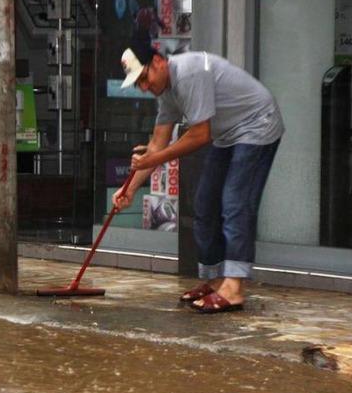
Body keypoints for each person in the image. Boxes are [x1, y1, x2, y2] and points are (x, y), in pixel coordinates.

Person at [113, 35, 284, 313]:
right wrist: (129, 190)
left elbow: (199, 135)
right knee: (205, 202)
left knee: (234, 201)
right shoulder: (166, 92)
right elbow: (157, 144)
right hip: (227, 134)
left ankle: (235, 287)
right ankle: (216, 280)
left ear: (157, 62)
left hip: (257, 123)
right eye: (138, 84)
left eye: (144, 78)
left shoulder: (189, 72)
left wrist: (155, 158)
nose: (144, 87)